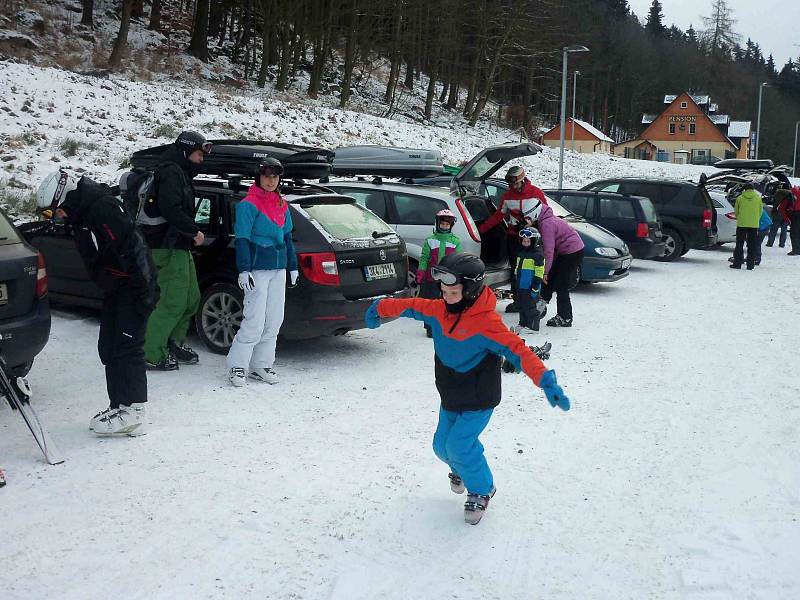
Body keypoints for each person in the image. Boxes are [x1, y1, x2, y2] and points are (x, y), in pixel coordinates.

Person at [364, 253, 570, 525]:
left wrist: (545, 380)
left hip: (478, 398)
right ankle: (463, 466)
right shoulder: (439, 310)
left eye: (453, 291)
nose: (446, 296)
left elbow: (518, 352)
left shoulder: (487, 323)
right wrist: (381, 308)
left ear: (471, 290)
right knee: (441, 447)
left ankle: (482, 489)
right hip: (450, 393)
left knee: (459, 446)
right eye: (444, 290)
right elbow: (411, 305)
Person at [36, 170, 158, 435]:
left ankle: (135, 410)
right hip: (117, 289)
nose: (54, 219)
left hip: (134, 288)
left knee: (128, 347)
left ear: (65, 198)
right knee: (109, 347)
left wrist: (143, 293)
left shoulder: (101, 209)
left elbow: (133, 247)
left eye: (53, 212)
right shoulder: (83, 213)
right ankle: (119, 405)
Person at [227, 158, 298, 387]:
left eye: (275, 176)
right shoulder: (248, 204)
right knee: (254, 320)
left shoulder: (282, 204)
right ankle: (238, 365)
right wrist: (244, 269)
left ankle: (261, 364)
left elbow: (287, 238)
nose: (271, 180)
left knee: (274, 319)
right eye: (266, 176)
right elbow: (242, 239)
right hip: (257, 269)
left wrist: (293, 266)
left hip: (278, 269)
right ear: (258, 177)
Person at [141, 130, 210, 371]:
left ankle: (172, 342)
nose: (202, 159)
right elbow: (170, 208)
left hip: (179, 245)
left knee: (191, 299)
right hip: (165, 246)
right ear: (185, 151)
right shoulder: (170, 172)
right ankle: (151, 352)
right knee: (173, 302)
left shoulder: (180, 172)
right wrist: (193, 231)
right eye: (199, 154)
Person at [478, 166, 547, 313]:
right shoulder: (507, 196)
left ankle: (533, 299)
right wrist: (481, 230)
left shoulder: (536, 193)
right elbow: (498, 215)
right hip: (514, 238)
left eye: (515, 184)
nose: (513, 187)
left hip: (532, 238)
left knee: (533, 270)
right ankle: (518, 300)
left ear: (522, 180)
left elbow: (545, 213)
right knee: (516, 270)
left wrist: (535, 225)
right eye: (511, 185)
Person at [526, 200, 585, 327]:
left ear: (534, 214)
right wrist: (548, 272)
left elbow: (549, 250)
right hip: (566, 251)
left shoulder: (546, 224)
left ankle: (565, 317)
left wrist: (545, 272)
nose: (526, 221)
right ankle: (542, 303)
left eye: (528, 218)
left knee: (561, 284)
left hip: (573, 251)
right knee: (551, 277)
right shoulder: (544, 219)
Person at [415, 209, 462, 337]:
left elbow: (457, 259)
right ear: (438, 224)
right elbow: (424, 258)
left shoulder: (455, 241)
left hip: (447, 279)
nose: (444, 226)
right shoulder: (430, 240)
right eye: (442, 224)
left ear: (451, 225)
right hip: (431, 278)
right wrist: (420, 273)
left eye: (447, 224)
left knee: (447, 302)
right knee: (430, 303)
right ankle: (430, 327)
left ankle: (445, 325)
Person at [512, 228, 545, 334]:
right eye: (523, 241)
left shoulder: (537, 255)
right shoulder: (521, 253)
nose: (525, 243)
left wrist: (535, 286)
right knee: (521, 305)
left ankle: (533, 327)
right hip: (521, 285)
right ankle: (523, 323)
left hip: (530, 286)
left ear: (534, 242)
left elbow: (539, 272)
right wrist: (515, 280)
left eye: (528, 241)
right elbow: (517, 269)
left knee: (529, 306)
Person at [731, 182, 762, 270]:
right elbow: (760, 211)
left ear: (745, 189)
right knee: (752, 245)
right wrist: (755, 219)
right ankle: (750, 265)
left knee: (739, 244)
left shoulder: (740, 198)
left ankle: (737, 263)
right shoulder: (758, 198)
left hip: (742, 224)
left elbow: (736, 211)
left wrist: (739, 218)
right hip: (753, 224)